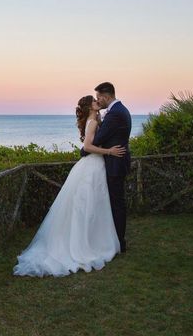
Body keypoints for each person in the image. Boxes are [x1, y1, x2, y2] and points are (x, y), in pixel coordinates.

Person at [13, 95, 126, 277]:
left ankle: (92, 239)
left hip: (94, 166)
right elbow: (87, 147)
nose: (98, 103)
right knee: (87, 205)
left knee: (93, 205)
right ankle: (84, 244)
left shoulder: (95, 120)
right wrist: (109, 151)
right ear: (90, 107)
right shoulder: (92, 122)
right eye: (95, 102)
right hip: (92, 165)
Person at [81, 82, 132, 252]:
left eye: (98, 98)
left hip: (115, 164)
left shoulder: (115, 114)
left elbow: (96, 140)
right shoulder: (119, 110)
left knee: (116, 203)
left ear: (106, 96)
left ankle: (119, 242)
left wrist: (85, 151)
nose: (97, 101)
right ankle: (114, 239)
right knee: (113, 202)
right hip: (114, 163)